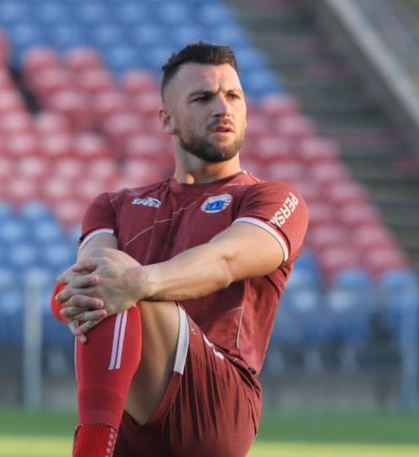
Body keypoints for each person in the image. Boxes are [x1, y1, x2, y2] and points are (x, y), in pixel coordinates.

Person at [51, 41, 309, 457]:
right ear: (167, 119)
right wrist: (80, 294)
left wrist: (139, 282)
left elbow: (225, 261)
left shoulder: (272, 199)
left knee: (118, 275)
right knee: (105, 273)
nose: (222, 108)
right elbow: (89, 282)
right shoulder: (112, 205)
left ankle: (91, 447)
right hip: (131, 407)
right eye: (203, 98)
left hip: (215, 405)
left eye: (233, 96)